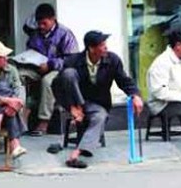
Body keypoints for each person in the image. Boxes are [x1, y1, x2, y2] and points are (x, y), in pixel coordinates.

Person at [52, 31, 143, 169]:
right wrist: (72, 107)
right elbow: (57, 86)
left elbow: (124, 81)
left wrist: (135, 95)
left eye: (105, 44)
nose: (106, 47)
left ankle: (76, 154)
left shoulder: (112, 60)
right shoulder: (73, 61)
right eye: (101, 45)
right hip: (75, 102)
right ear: (91, 48)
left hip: (97, 103)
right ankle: (79, 109)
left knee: (100, 117)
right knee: (68, 74)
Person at [20, 3, 79, 135]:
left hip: (59, 70)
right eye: (39, 23)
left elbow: (71, 59)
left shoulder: (65, 34)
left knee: (47, 81)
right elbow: (31, 50)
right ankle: (20, 114)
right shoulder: (36, 33)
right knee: (18, 75)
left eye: (44, 23)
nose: (41, 26)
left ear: (53, 19)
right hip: (38, 67)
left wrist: (51, 64)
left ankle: (44, 121)